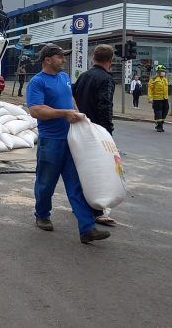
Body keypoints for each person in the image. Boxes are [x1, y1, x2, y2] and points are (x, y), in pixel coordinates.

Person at [26, 43, 111, 244]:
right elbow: (36, 110)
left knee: (76, 184)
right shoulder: (37, 82)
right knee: (46, 182)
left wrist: (76, 113)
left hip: (71, 140)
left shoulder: (64, 78)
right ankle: (42, 215)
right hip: (51, 141)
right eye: (60, 57)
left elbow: (70, 98)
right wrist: (64, 113)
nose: (64, 60)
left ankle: (87, 228)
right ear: (48, 59)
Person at [71, 44, 118, 227]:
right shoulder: (106, 79)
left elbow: (73, 98)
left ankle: (80, 204)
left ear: (93, 58)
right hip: (97, 130)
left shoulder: (83, 76)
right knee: (99, 170)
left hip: (81, 127)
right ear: (110, 60)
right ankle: (97, 210)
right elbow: (105, 105)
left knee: (82, 168)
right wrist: (108, 130)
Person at [148, 64, 170, 132]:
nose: (163, 72)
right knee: (158, 113)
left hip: (165, 98)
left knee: (165, 111)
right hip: (157, 99)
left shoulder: (165, 79)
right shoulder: (153, 79)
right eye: (162, 71)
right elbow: (150, 89)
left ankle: (160, 123)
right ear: (158, 72)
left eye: (164, 71)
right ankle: (159, 126)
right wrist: (150, 98)